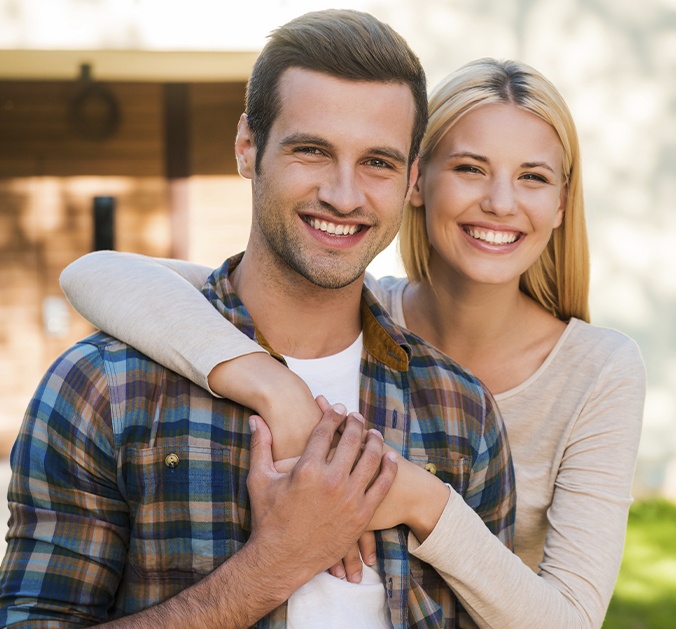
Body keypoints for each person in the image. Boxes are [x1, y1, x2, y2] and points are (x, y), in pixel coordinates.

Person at [58, 57, 646, 629]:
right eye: (469, 168)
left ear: (563, 201)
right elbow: (98, 274)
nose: (500, 201)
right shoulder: (361, 313)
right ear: (419, 182)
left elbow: (571, 619)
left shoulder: (599, 369)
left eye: (533, 177)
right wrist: (277, 390)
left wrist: (420, 500)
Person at [0, 10, 516, 629]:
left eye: (377, 162)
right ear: (248, 147)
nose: (345, 195)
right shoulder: (104, 387)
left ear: (411, 180)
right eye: (311, 150)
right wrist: (275, 563)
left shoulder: (460, 409)